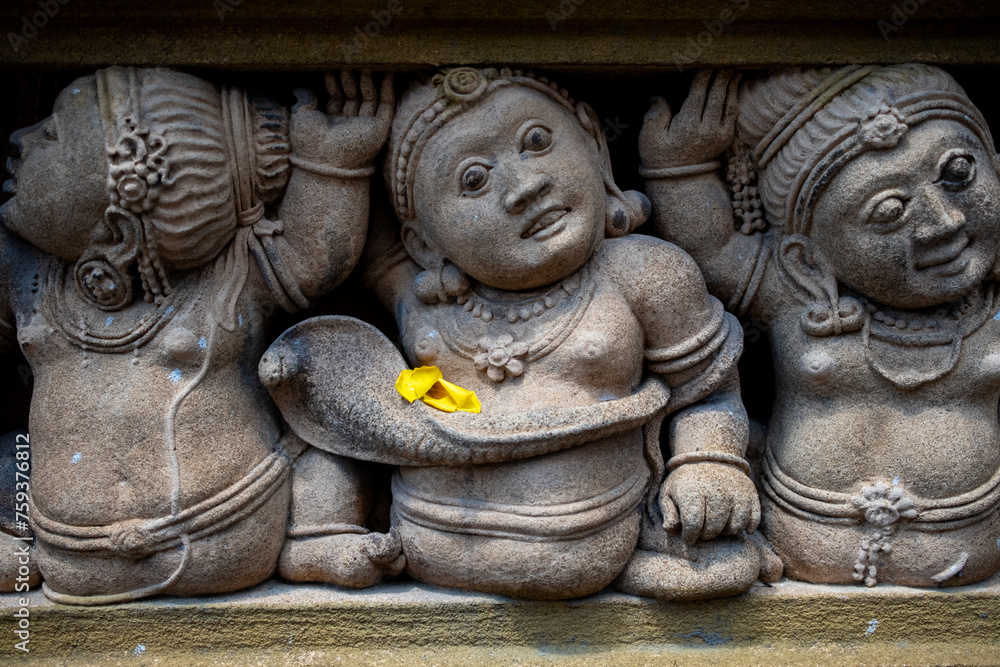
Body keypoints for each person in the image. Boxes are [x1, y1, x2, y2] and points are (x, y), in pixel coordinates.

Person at [264, 67, 769, 600]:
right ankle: (318, 538)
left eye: (537, 141)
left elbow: (709, 392)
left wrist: (708, 463)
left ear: (597, 149)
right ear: (426, 243)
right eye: (474, 179)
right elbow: (342, 253)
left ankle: (626, 560)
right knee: (335, 412)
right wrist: (335, 164)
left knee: (725, 570)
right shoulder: (426, 300)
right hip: (420, 537)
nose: (525, 187)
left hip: (590, 533)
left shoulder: (641, 273)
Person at [0, 67, 401, 603]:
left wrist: (332, 160)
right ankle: (15, 541)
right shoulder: (26, 275)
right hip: (70, 551)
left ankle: (316, 536)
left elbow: (311, 256)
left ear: (122, 213)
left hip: (229, 526)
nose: (20, 138)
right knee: (11, 457)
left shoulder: (229, 277)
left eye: (49, 135)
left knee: (326, 446)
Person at [642, 65, 1000, 586]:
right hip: (802, 540)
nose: (944, 221)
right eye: (889, 209)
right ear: (809, 260)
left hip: (968, 547)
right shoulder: (797, 296)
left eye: (959, 174)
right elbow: (712, 251)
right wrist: (680, 167)